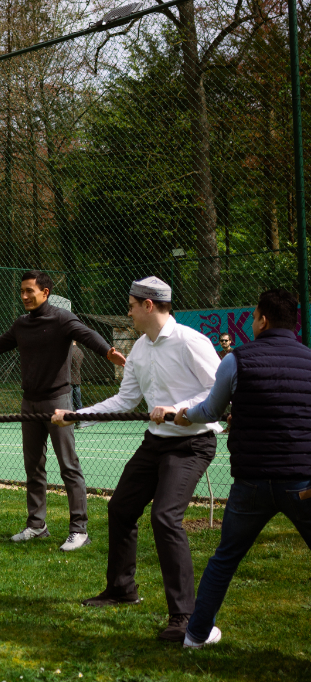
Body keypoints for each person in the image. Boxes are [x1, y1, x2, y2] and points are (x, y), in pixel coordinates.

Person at [52, 275, 222, 642]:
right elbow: (124, 401)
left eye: (131, 305)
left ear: (148, 305)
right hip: (156, 442)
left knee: (165, 517)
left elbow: (218, 391)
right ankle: (121, 590)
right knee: (121, 508)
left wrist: (177, 408)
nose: (127, 312)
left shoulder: (192, 342)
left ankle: (184, 616)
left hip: (192, 443)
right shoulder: (141, 350)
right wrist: (75, 415)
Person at [0, 270, 126, 551]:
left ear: (45, 292)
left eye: (29, 291)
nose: (24, 296)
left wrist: (107, 351)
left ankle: (79, 530)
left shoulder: (63, 319)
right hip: (29, 403)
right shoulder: (21, 324)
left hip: (59, 402)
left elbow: (88, 334)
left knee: (69, 466)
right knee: (33, 467)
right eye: (22, 291)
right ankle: (36, 525)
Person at [176, 288, 311, 649]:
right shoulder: (308, 360)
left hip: (251, 482)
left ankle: (195, 636)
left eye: (253, 316)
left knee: (224, 559)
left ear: (263, 319)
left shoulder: (237, 359)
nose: (251, 323)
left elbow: (209, 411)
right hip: (301, 480)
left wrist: (182, 415)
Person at [70, 341, 85, 412]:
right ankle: (79, 417)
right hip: (77, 378)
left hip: (69, 379)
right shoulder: (80, 351)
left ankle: (71, 418)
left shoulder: (69, 351)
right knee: (78, 402)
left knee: (70, 402)